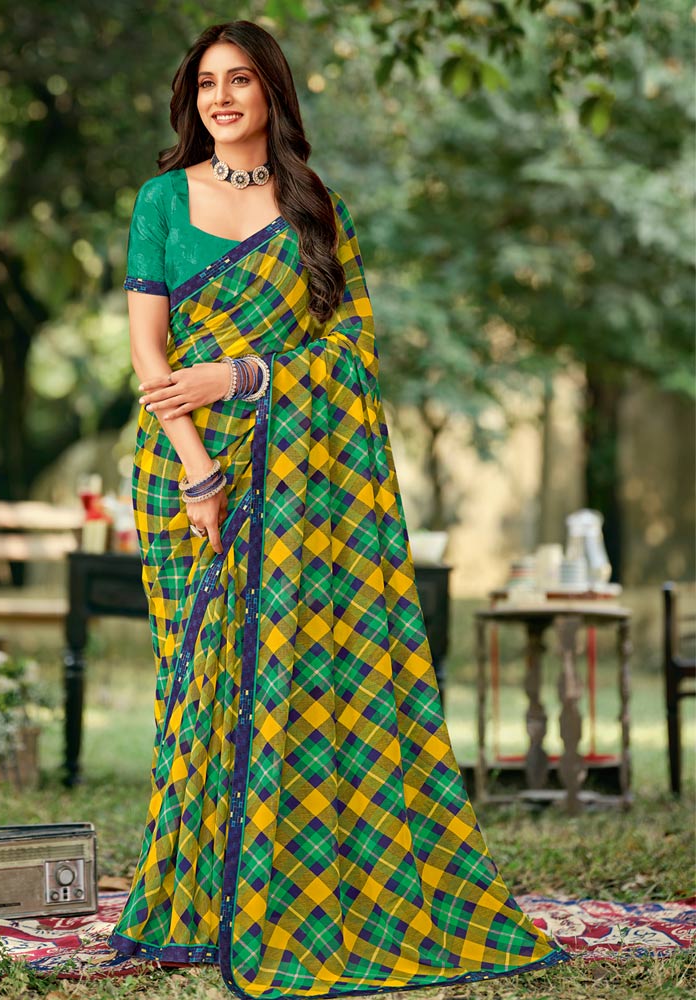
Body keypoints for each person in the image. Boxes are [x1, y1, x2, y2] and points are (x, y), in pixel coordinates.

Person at [108, 18, 573, 999]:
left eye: (240, 80)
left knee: (299, 675)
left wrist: (244, 374)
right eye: (206, 83)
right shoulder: (162, 200)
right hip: (187, 471)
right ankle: (197, 905)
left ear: (271, 92)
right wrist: (198, 471)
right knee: (198, 688)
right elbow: (149, 355)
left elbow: (351, 355)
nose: (221, 98)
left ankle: (297, 895)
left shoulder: (317, 207)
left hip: (299, 478)